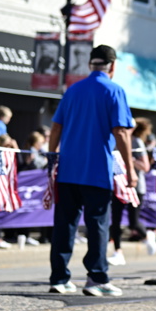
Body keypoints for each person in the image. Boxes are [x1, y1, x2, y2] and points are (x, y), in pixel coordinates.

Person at [48, 44, 137, 297]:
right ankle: (96, 278)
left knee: (64, 224)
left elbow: (56, 127)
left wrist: (52, 158)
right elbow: (121, 132)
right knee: (97, 225)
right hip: (97, 170)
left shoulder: (73, 90)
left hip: (68, 169)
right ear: (113, 66)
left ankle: (59, 278)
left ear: (90, 64)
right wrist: (130, 170)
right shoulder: (114, 90)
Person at [108, 117, 153, 265]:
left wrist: (128, 159)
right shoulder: (115, 140)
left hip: (136, 187)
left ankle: (147, 236)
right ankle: (118, 252)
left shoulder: (137, 142)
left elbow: (145, 167)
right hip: (118, 185)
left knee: (133, 223)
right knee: (115, 221)